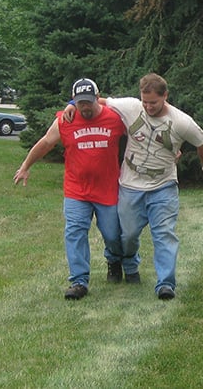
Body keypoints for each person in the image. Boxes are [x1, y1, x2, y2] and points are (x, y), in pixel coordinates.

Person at [65, 73, 203, 300]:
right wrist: (72, 104)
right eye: (145, 101)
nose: (148, 107)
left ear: (165, 96)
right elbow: (98, 100)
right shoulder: (131, 106)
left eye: (153, 103)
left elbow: (202, 142)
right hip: (131, 185)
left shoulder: (181, 121)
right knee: (127, 235)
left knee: (164, 234)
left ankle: (165, 284)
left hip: (163, 185)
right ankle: (129, 265)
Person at [14, 78, 127, 300]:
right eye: (80, 102)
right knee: (75, 232)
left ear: (97, 98)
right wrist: (26, 166)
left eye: (88, 102)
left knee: (112, 234)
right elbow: (46, 142)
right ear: (74, 101)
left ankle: (114, 260)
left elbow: (140, 133)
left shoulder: (115, 118)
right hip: (77, 190)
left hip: (107, 189)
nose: (85, 107)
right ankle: (79, 281)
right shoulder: (66, 120)